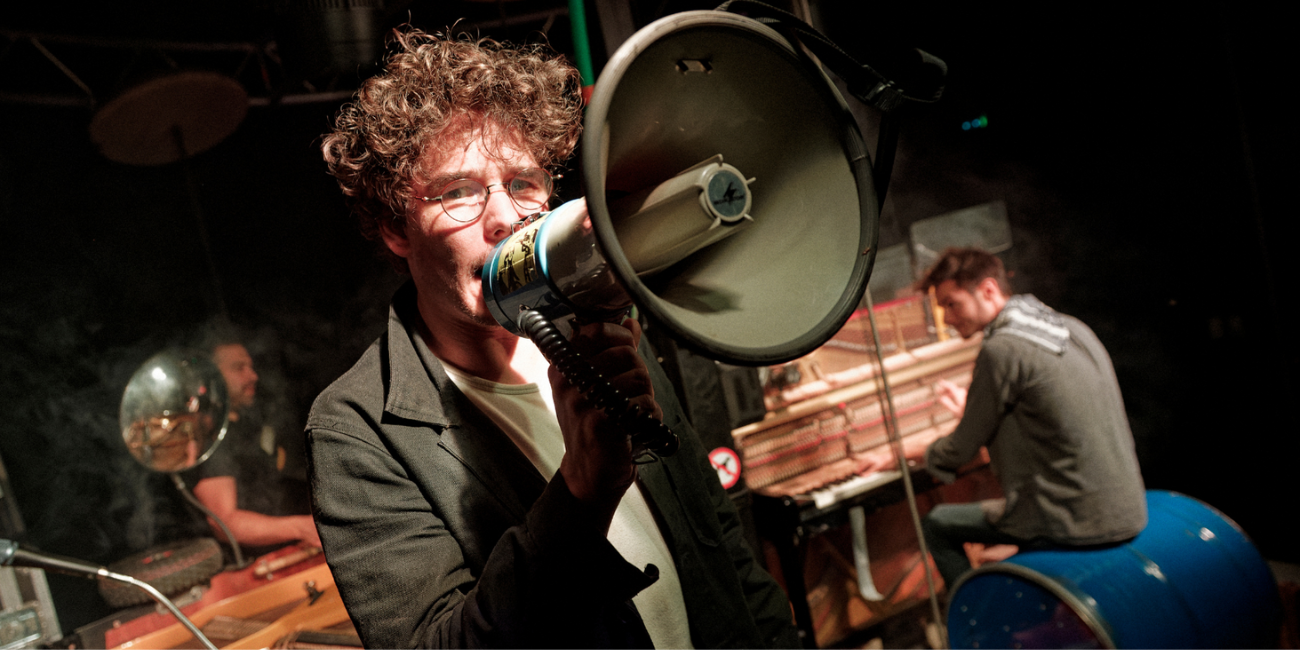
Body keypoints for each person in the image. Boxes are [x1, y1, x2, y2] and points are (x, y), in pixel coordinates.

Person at [305, 25, 801, 649]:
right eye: (458, 192)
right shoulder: (359, 431)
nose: (506, 218)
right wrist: (580, 495)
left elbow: (719, 542)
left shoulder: (600, 330)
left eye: (522, 184)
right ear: (395, 228)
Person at [856, 247, 1147, 589]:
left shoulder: (1002, 349)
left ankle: (981, 618)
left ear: (989, 290)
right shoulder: (1068, 327)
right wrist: (974, 412)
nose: (947, 319)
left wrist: (893, 455)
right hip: (1126, 507)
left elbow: (959, 450)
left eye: (952, 304)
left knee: (937, 522)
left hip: (1071, 520)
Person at [184, 337, 321, 557]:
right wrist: (301, 527)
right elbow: (224, 522)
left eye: (251, 367)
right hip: (245, 571)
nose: (253, 376)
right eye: (239, 368)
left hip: (281, 557)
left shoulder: (244, 426)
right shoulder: (212, 438)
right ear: (211, 378)